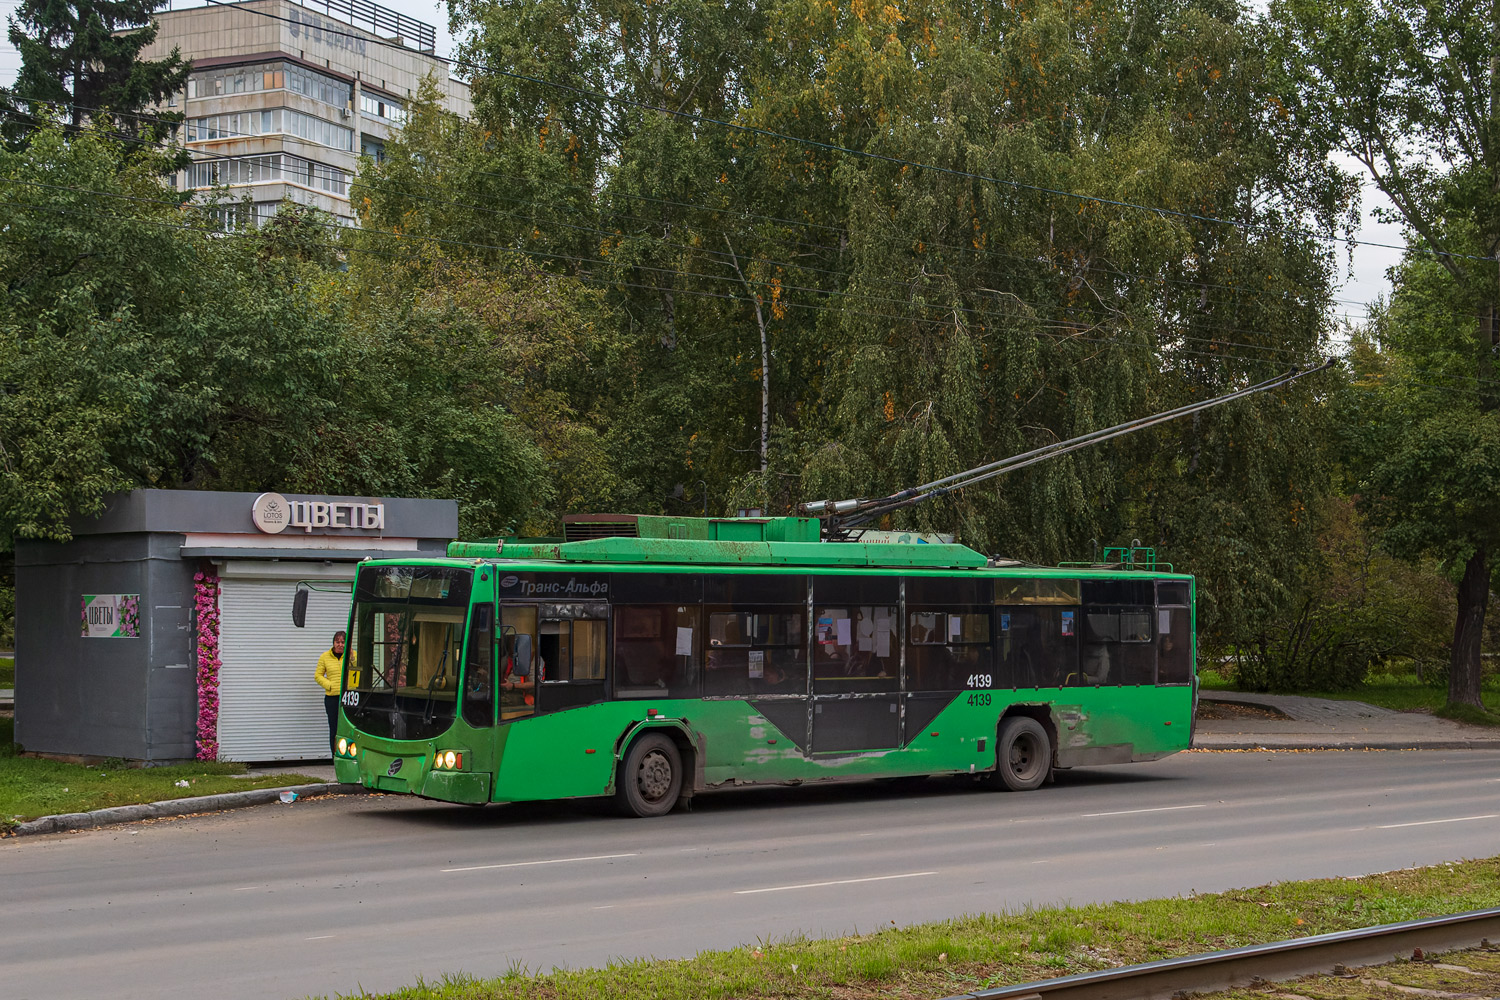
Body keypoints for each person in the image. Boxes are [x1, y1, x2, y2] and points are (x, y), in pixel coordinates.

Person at [315, 631, 346, 756]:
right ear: (333, 643)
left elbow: (359, 671)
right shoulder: (325, 657)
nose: (340, 645)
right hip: (332, 698)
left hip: (348, 697)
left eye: (343, 642)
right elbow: (318, 675)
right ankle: (335, 756)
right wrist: (330, 685)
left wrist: (352, 657)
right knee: (334, 728)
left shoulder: (352, 655)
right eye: (337, 642)